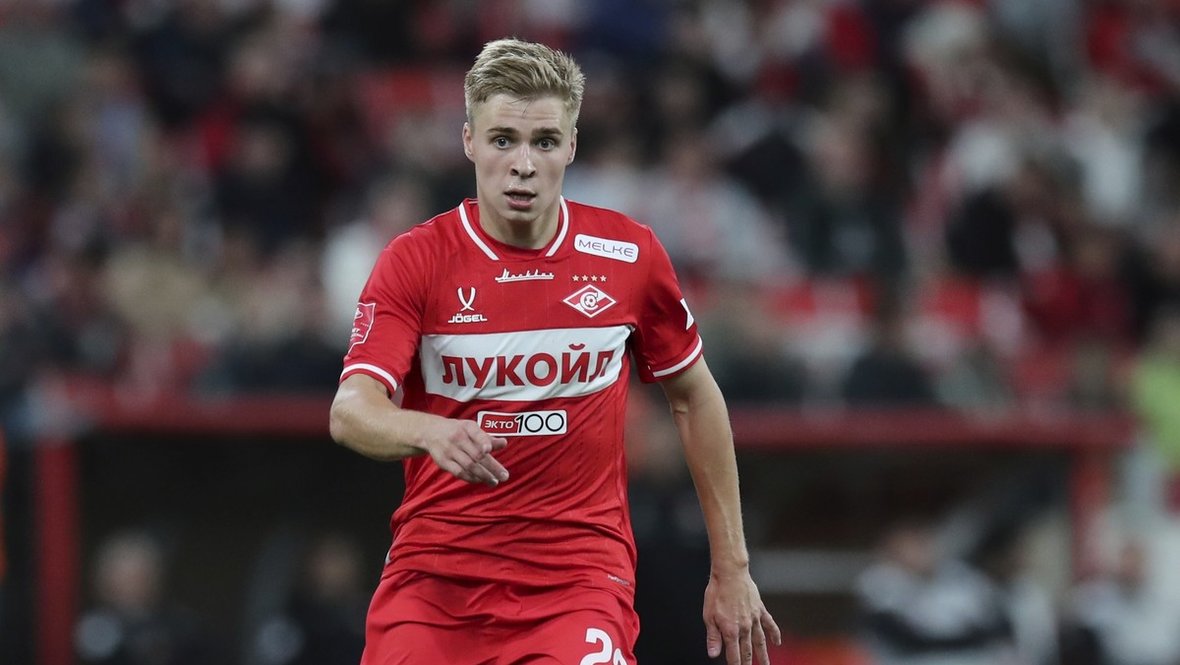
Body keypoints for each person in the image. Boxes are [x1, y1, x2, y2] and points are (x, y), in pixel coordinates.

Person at [328, 38, 781, 665]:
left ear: (571, 146)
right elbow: (351, 410)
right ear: (469, 141)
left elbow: (695, 396)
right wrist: (428, 431)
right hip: (436, 582)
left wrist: (732, 567)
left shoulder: (628, 256)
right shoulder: (416, 261)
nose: (523, 164)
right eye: (503, 139)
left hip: (577, 584)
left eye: (543, 142)